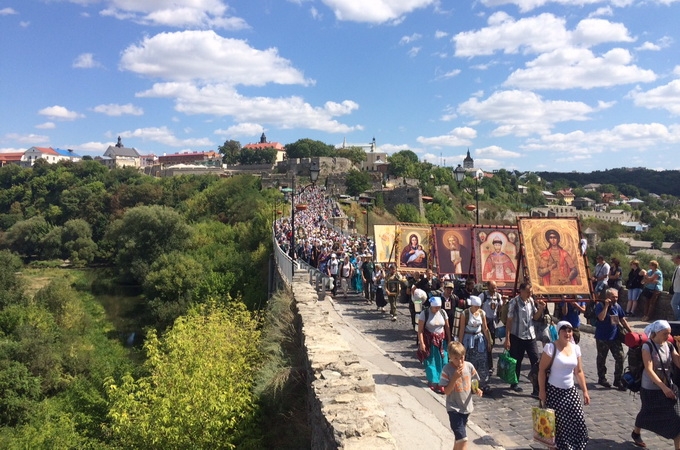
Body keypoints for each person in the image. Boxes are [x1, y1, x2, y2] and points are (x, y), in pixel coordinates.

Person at [537, 320, 590, 450]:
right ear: (559, 332)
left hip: (570, 391)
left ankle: (574, 446)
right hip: (554, 391)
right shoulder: (551, 348)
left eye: (569, 331)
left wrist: (585, 391)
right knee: (557, 423)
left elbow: (579, 371)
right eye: (564, 330)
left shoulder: (575, 349)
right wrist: (542, 391)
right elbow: (542, 370)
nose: (567, 333)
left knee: (578, 419)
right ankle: (555, 447)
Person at [630, 320, 680, 449]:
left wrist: (679, 347)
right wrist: (663, 388)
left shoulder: (669, 345)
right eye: (665, 333)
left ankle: (636, 432)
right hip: (651, 388)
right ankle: (636, 433)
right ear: (656, 333)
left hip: (667, 386)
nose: (668, 336)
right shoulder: (648, 346)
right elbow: (649, 370)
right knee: (647, 411)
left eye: (669, 333)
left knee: (675, 418)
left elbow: (678, 363)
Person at [504, 282, 546, 395]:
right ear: (521, 291)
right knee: (517, 361)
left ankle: (536, 388)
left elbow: (535, 317)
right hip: (517, 335)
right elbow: (509, 321)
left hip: (530, 336)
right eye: (528, 292)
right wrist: (507, 338)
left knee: (536, 361)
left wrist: (541, 308)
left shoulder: (531, 301)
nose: (529, 294)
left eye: (531, 292)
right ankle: (514, 382)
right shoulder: (514, 302)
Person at [440, 341, 483, 450]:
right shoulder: (447, 370)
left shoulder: (469, 366)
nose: (459, 361)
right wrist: (454, 378)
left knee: (458, 439)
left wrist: (477, 389)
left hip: (466, 408)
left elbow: (473, 382)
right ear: (450, 357)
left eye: (461, 358)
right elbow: (446, 391)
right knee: (463, 439)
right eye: (456, 358)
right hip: (454, 409)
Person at [594, 288, 631, 390]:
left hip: (614, 337)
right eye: (613, 297)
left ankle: (617, 380)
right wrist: (606, 306)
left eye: (616, 297)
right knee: (602, 359)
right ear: (607, 297)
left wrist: (630, 332)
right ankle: (602, 378)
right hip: (602, 337)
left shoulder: (617, 306)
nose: (615, 299)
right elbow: (601, 318)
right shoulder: (600, 306)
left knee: (620, 357)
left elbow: (622, 319)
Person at [458, 295, 493, 393]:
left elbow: (485, 328)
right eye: (475, 307)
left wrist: (488, 341)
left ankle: (483, 383)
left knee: (482, 361)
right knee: (469, 361)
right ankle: (468, 383)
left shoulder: (482, 313)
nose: (477, 308)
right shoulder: (465, 314)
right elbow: (461, 330)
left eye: (478, 306)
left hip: (479, 339)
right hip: (468, 340)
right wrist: (460, 344)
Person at [417, 297, 452, 394]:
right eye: (435, 307)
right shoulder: (425, 314)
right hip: (430, 341)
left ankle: (442, 382)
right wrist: (422, 343)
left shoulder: (443, 313)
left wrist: (449, 339)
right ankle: (433, 381)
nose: (437, 309)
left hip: (441, 341)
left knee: (443, 361)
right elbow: (420, 330)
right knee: (431, 361)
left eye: (439, 307)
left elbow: (447, 327)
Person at [480, 281, 503, 370]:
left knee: (491, 343)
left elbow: (500, 307)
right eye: (493, 287)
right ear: (488, 287)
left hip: (493, 323)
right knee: (487, 343)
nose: (494, 289)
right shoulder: (483, 296)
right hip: (485, 322)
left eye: (495, 287)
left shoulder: (498, 296)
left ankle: (487, 362)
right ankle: (489, 364)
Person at [671, 255, 680, 321]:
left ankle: (678, 319)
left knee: (673, 303)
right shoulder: (678, 267)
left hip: (678, 290)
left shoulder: (679, 268)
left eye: (675, 259)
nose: (673, 260)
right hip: (676, 289)